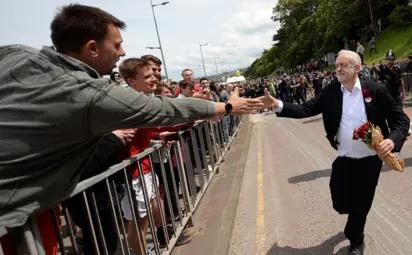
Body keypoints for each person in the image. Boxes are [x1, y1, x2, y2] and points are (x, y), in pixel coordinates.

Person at [0, 3, 262, 228]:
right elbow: (162, 109)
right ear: (92, 48)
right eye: (117, 45)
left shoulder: (14, 55)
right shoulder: (89, 93)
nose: (122, 53)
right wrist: (228, 107)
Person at [259, 50, 410, 255]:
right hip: (345, 157)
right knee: (339, 200)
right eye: (337, 65)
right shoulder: (331, 92)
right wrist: (277, 104)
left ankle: (356, 240)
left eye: (344, 65)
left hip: (370, 161)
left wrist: (392, 140)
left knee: (361, 204)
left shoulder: (376, 90)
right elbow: (305, 108)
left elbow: (400, 120)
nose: (338, 69)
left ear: (357, 68)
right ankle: (353, 218)